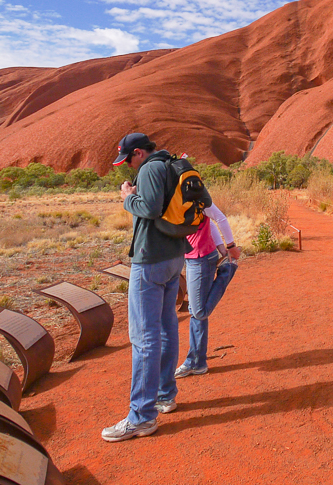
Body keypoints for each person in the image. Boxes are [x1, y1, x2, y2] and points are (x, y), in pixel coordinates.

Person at [102, 132, 189, 443]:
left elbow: (150, 209)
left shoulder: (150, 168)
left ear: (138, 152)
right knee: (166, 328)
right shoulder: (169, 164)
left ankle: (141, 416)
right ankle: (166, 395)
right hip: (174, 257)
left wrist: (128, 197)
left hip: (150, 261)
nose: (127, 166)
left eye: (127, 160)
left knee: (143, 337)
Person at [176, 203, 240, 377]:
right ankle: (197, 362)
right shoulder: (177, 194)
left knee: (198, 311)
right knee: (196, 312)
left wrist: (230, 245)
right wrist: (220, 247)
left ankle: (228, 271)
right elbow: (207, 222)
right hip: (193, 257)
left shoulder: (193, 191)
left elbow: (218, 217)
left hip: (201, 258)